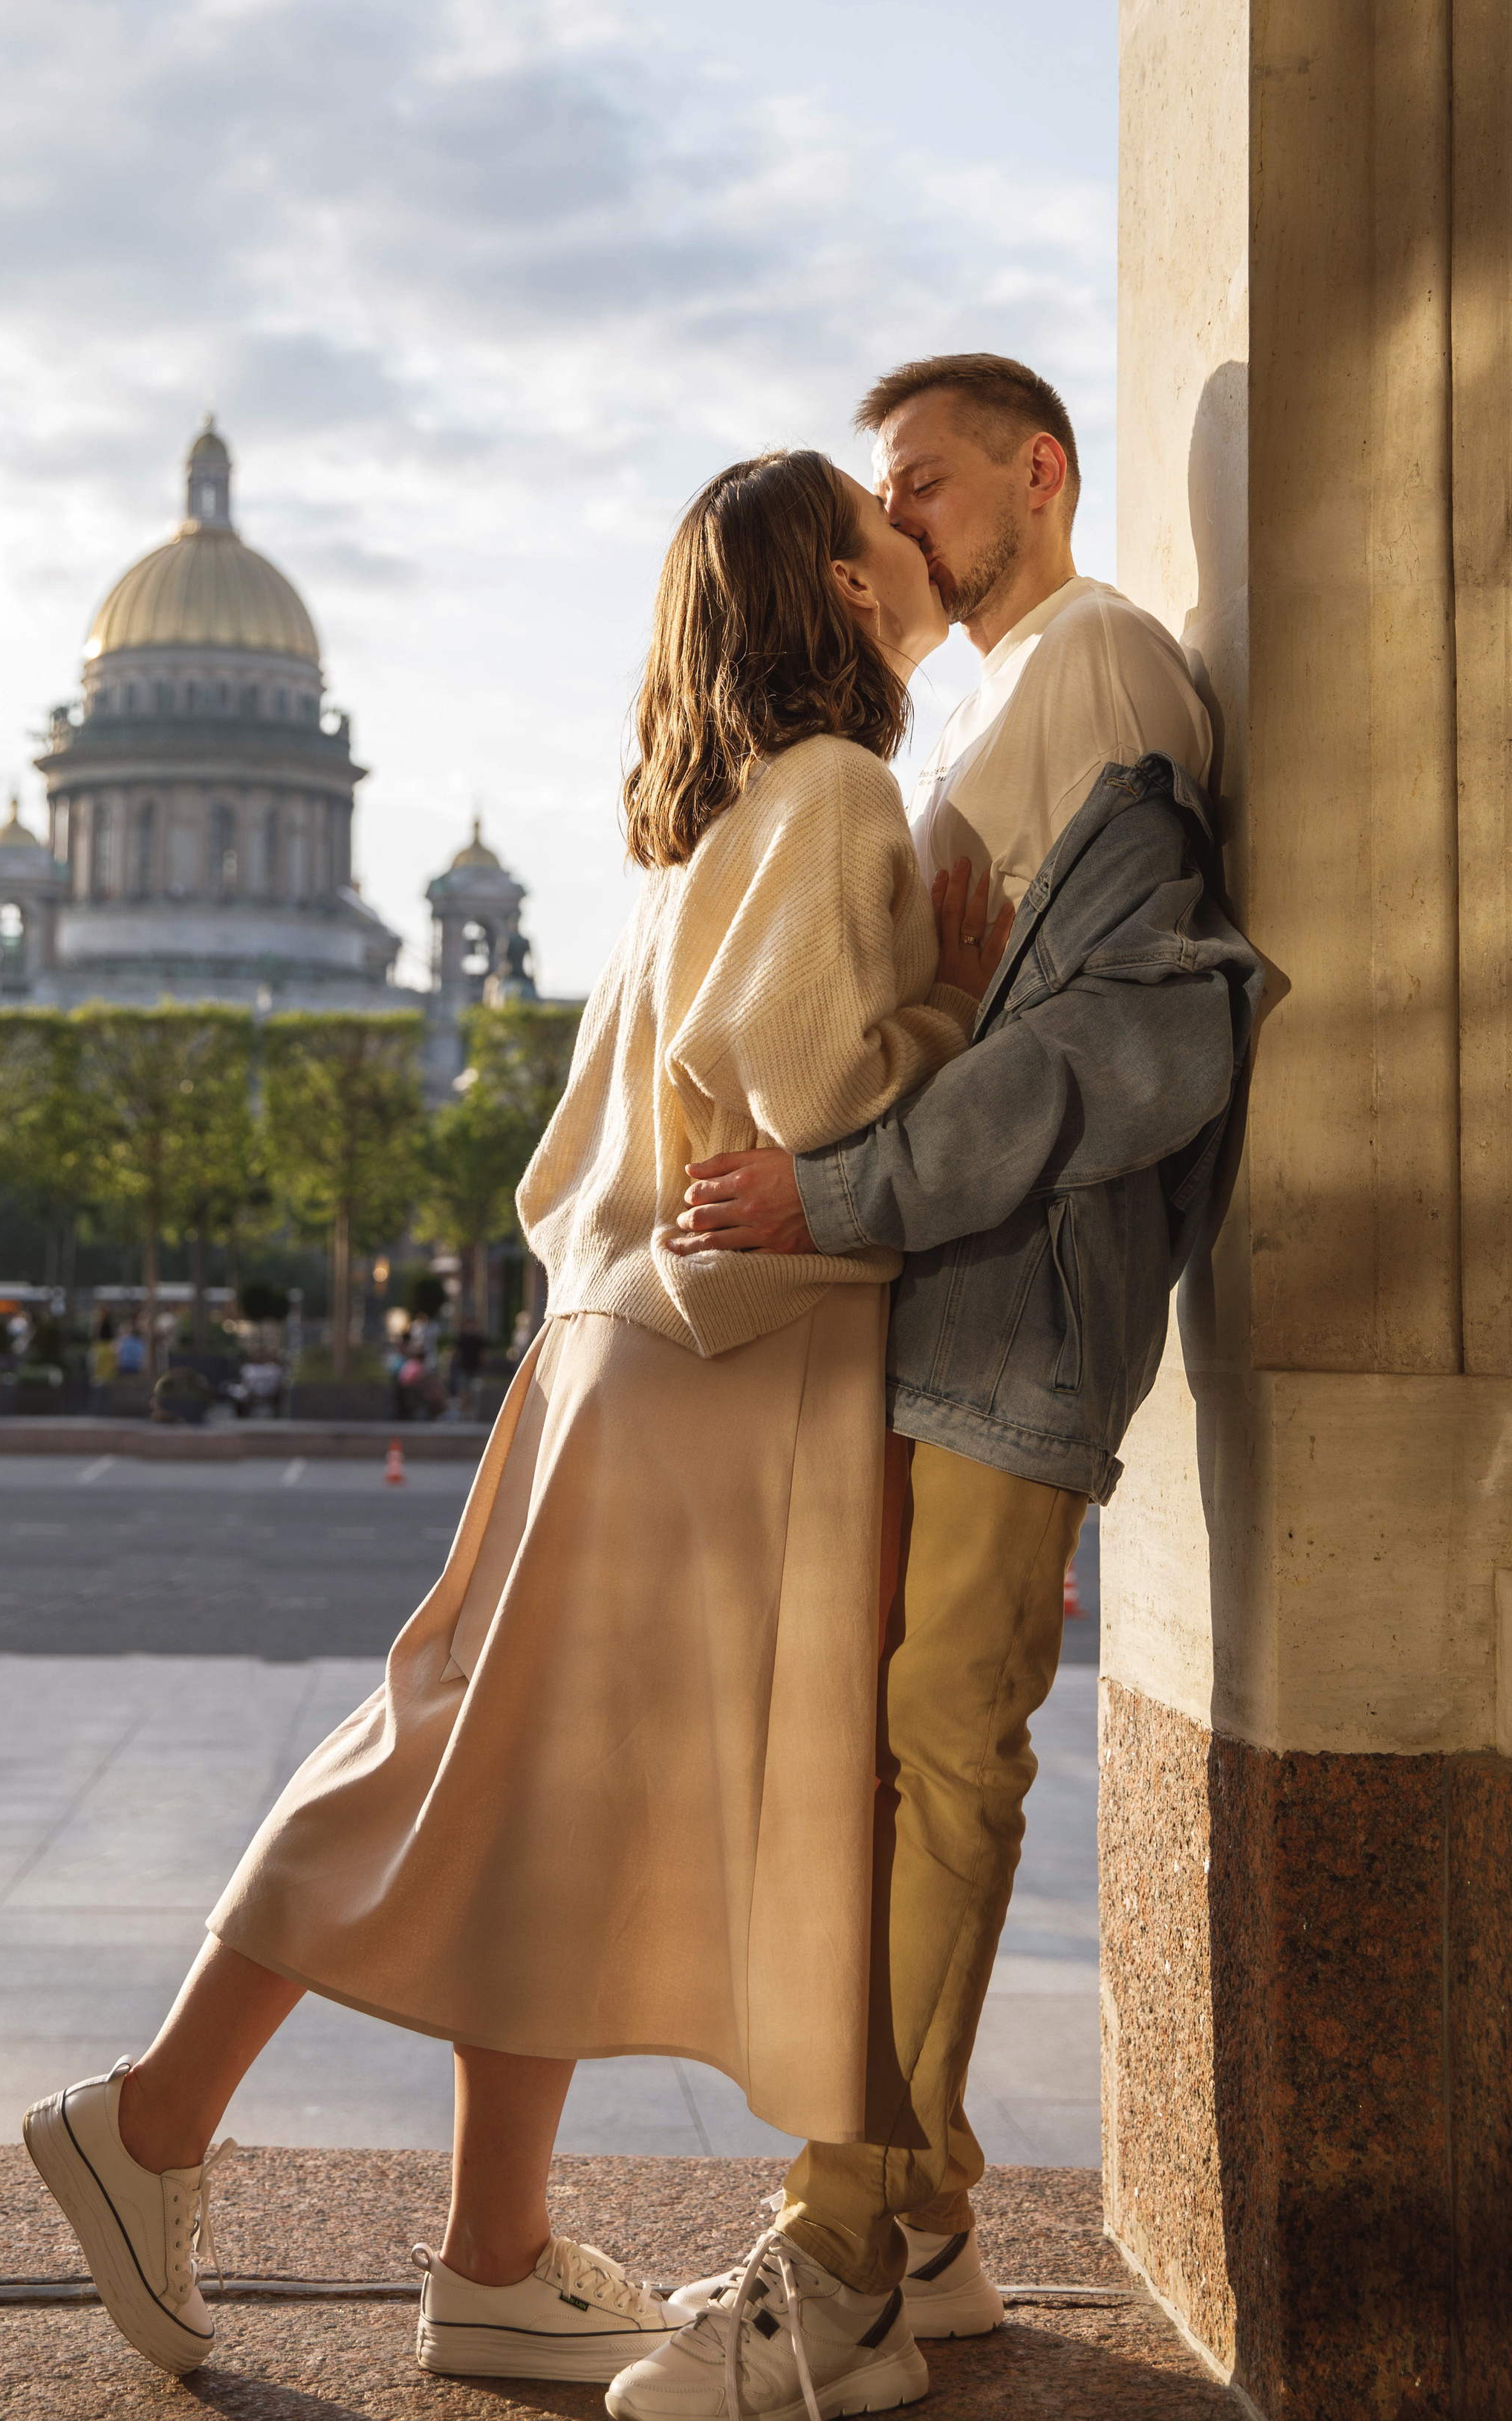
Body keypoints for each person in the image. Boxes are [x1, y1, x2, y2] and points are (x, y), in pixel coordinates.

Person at [21, 445, 994, 2413]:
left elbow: (606, 1148)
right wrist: (958, 1008)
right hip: (709, 1377)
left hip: (615, 1348)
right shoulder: (833, 797)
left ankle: (488, 2259)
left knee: (504, 1782)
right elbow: (820, 1100)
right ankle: (150, 2118)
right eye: (871, 526)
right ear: (821, 583)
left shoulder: (702, 823)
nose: (909, 543)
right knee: (454, 1772)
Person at [667, 353, 1262, 2353]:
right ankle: (921, 2225)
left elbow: (1103, 1048)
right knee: (910, 1756)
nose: (895, 529)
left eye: (920, 487)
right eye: (880, 501)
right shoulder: (980, 711)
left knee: (939, 1759)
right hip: (952, 1291)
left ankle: (844, 2255)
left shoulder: (1094, 659)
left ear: (1040, 472)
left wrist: (834, 1196)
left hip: (1019, 1298)